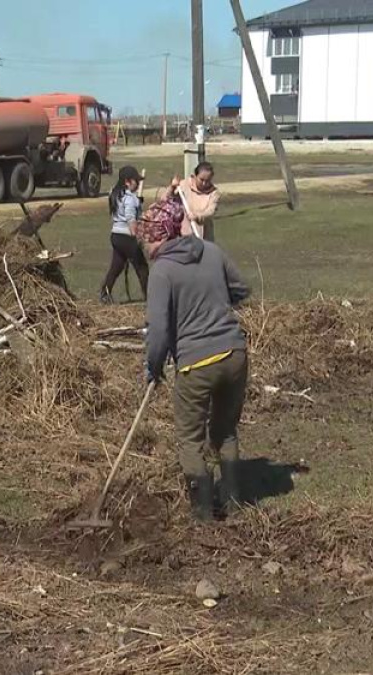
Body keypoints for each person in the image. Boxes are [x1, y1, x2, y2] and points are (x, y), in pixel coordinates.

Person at [144, 209, 251, 522]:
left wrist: (153, 367)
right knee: (225, 432)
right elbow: (242, 289)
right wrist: (215, 303)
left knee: (190, 440)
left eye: (149, 237)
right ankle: (233, 504)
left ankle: (202, 515)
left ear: (163, 236)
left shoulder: (162, 272)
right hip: (234, 354)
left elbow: (159, 330)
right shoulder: (212, 251)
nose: (146, 245)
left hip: (196, 365)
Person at [99, 166, 148, 304]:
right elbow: (130, 218)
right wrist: (137, 237)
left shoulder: (116, 194)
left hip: (116, 235)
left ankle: (104, 294)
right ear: (127, 182)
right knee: (142, 267)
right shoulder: (130, 199)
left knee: (116, 266)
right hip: (127, 236)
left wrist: (138, 203)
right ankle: (150, 298)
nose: (137, 184)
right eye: (135, 181)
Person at [180, 161, 221, 242]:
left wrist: (197, 216)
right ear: (195, 176)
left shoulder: (214, 193)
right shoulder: (184, 185)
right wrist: (172, 187)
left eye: (208, 180)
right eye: (201, 179)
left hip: (204, 236)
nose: (204, 183)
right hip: (184, 235)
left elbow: (210, 211)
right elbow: (168, 199)